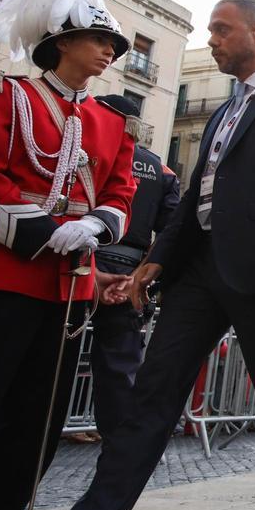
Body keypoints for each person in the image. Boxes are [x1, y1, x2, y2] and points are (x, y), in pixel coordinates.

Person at [68, 0, 255, 510]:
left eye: (220, 29)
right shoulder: (223, 111)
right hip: (198, 273)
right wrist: (157, 260)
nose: (210, 39)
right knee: (152, 393)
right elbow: (195, 196)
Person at [0, 0, 137, 510]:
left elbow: (121, 191)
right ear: (63, 40)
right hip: (6, 275)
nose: (109, 53)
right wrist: (47, 233)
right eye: (101, 41)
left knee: (40, 415)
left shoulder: (111, 121)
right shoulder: (8, 96)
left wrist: (97, 224)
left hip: (68, 286)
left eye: (116, 47)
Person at [90, 94, 181, 443]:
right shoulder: (160, 169)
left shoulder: (91, 151)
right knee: (119, 365)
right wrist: (144, 271)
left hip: (82, 263)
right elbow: (172, 230)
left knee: (54, 356)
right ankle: (118, 446)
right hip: (129, 270)